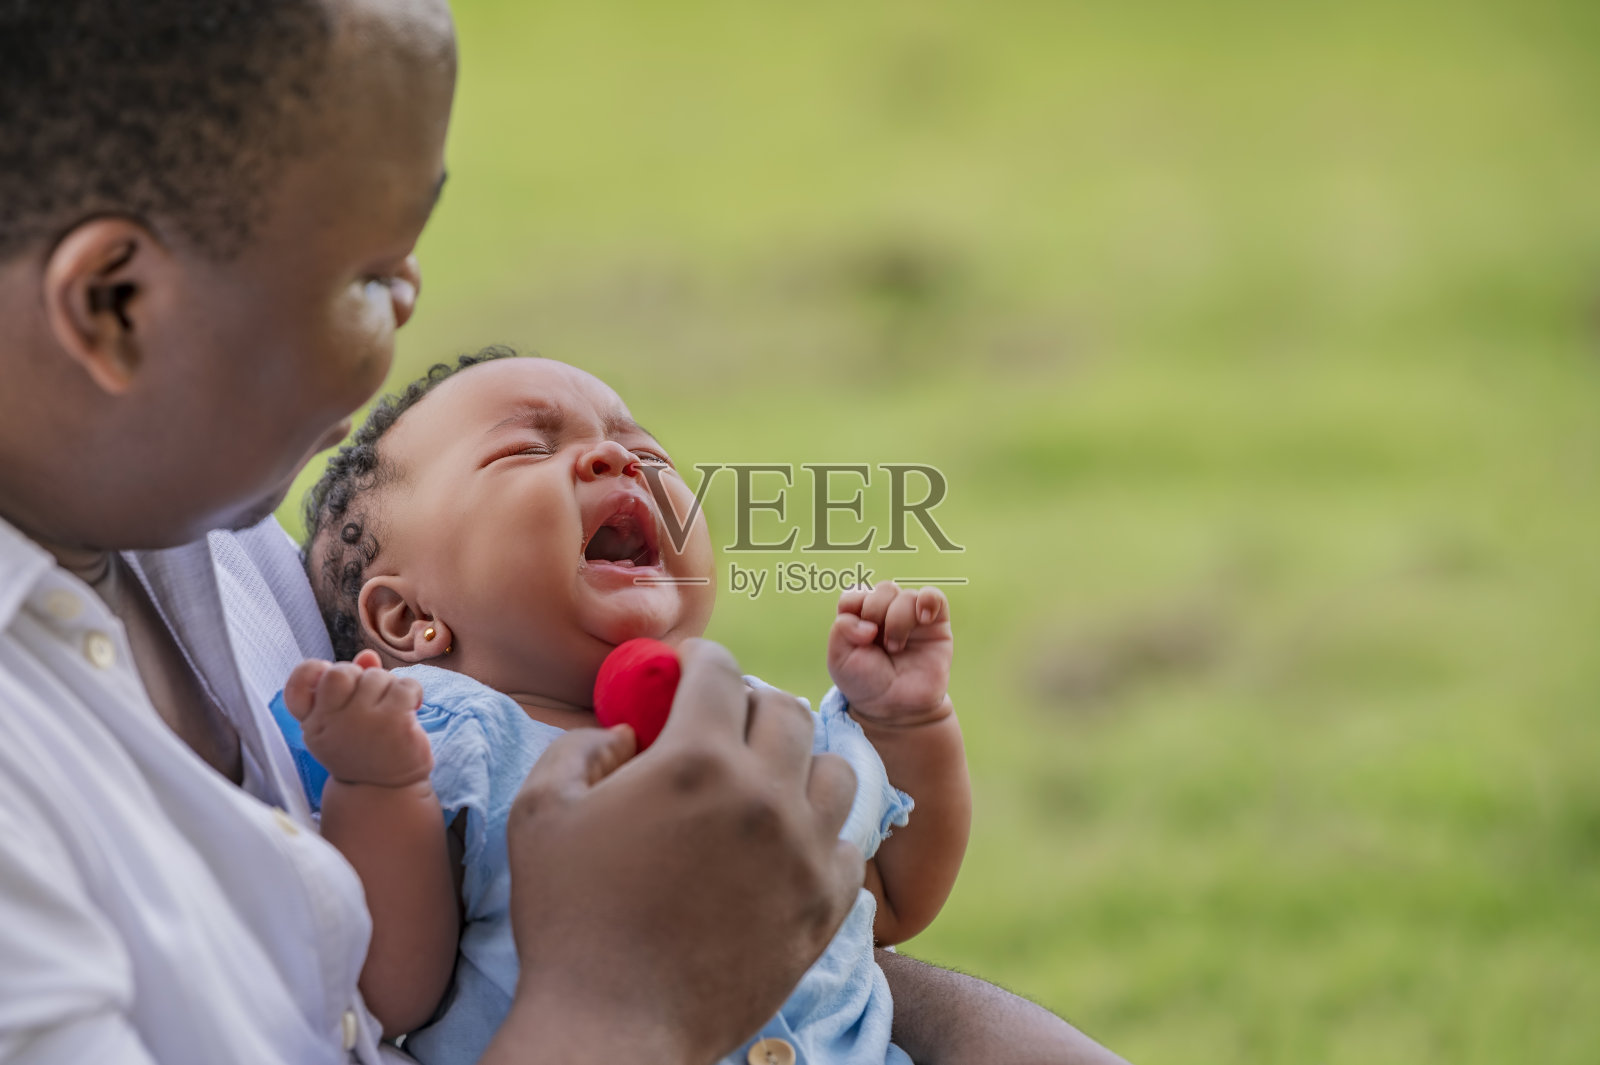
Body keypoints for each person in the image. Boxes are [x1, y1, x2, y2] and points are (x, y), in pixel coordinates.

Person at [0, 2, 1129, 1063]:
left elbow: (857, 923)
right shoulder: (409, 718)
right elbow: (409, 978)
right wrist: (625, 997)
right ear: (114, 303)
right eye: (369, 274)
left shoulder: (199, 506)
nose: (405, 310)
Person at [274, 351, 972, 1065]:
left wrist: (908, 721)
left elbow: (889, 901)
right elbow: (394, 992)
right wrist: (379, 782)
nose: (615, 456)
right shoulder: (448, 749)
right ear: (406, 617)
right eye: (526, 449)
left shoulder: (762, 723)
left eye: (646, 450)